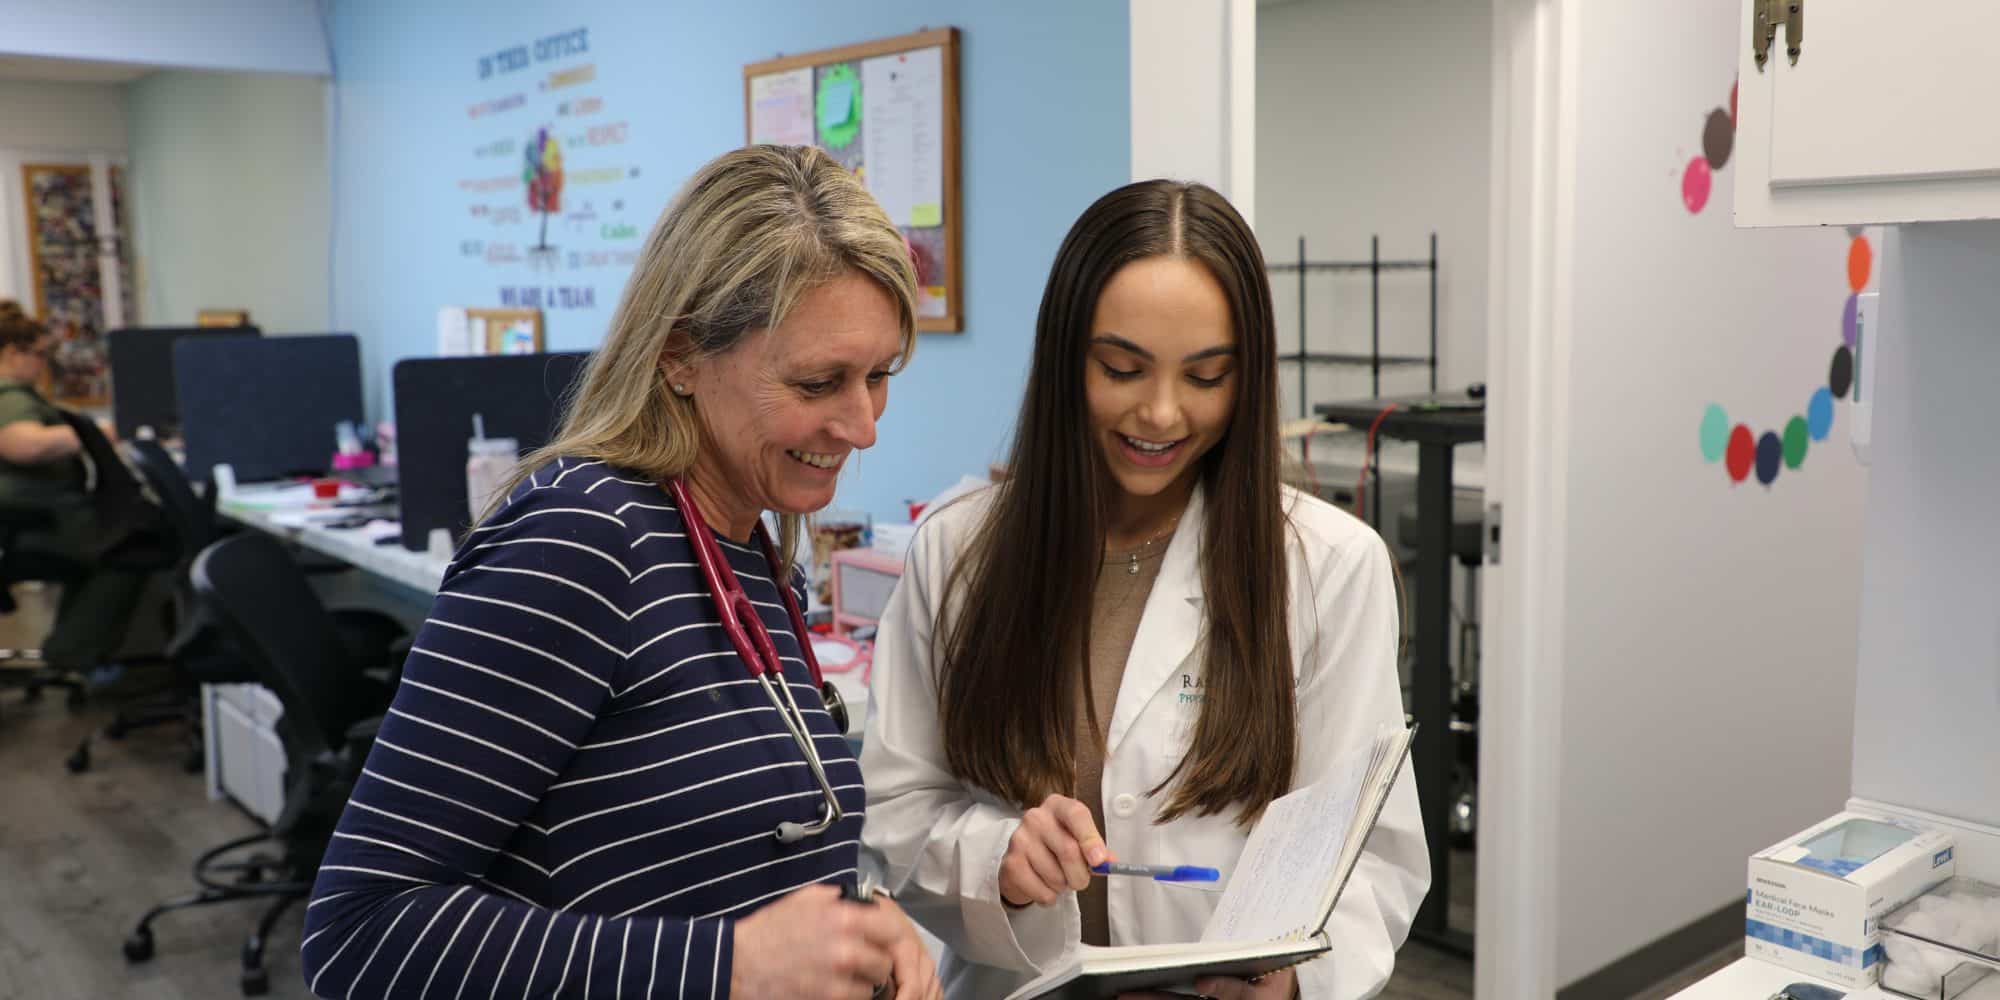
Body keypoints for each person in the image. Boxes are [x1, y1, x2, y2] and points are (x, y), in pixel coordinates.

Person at [302, 145, 942, 1000]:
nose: (861, 426)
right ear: (679, 354)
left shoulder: (747, 549)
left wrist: (858, 929)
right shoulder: (583, 538)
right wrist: (730, 968)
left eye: (879, 376)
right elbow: (359, 937)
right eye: (820, 381)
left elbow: (732, 860)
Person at [859, 180, 1428, 998]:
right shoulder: (957, 552)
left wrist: (1297, 977)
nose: (1161, 413)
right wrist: (1001, 861)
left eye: (1205, 377)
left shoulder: (1330, 567)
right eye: (1122, 368)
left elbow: (1373, 856)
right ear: (1065, 360)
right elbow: (898, 811)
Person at [0, 300, 150, 675]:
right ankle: (75, 653)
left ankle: (74, 647)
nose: (43, 364)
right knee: (129, 545)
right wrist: (92, 433)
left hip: (26, 523)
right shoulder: (10, 396)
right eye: (39, 355)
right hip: (36, 525)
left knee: (111, 540)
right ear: (11, 352)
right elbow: (23, 444)